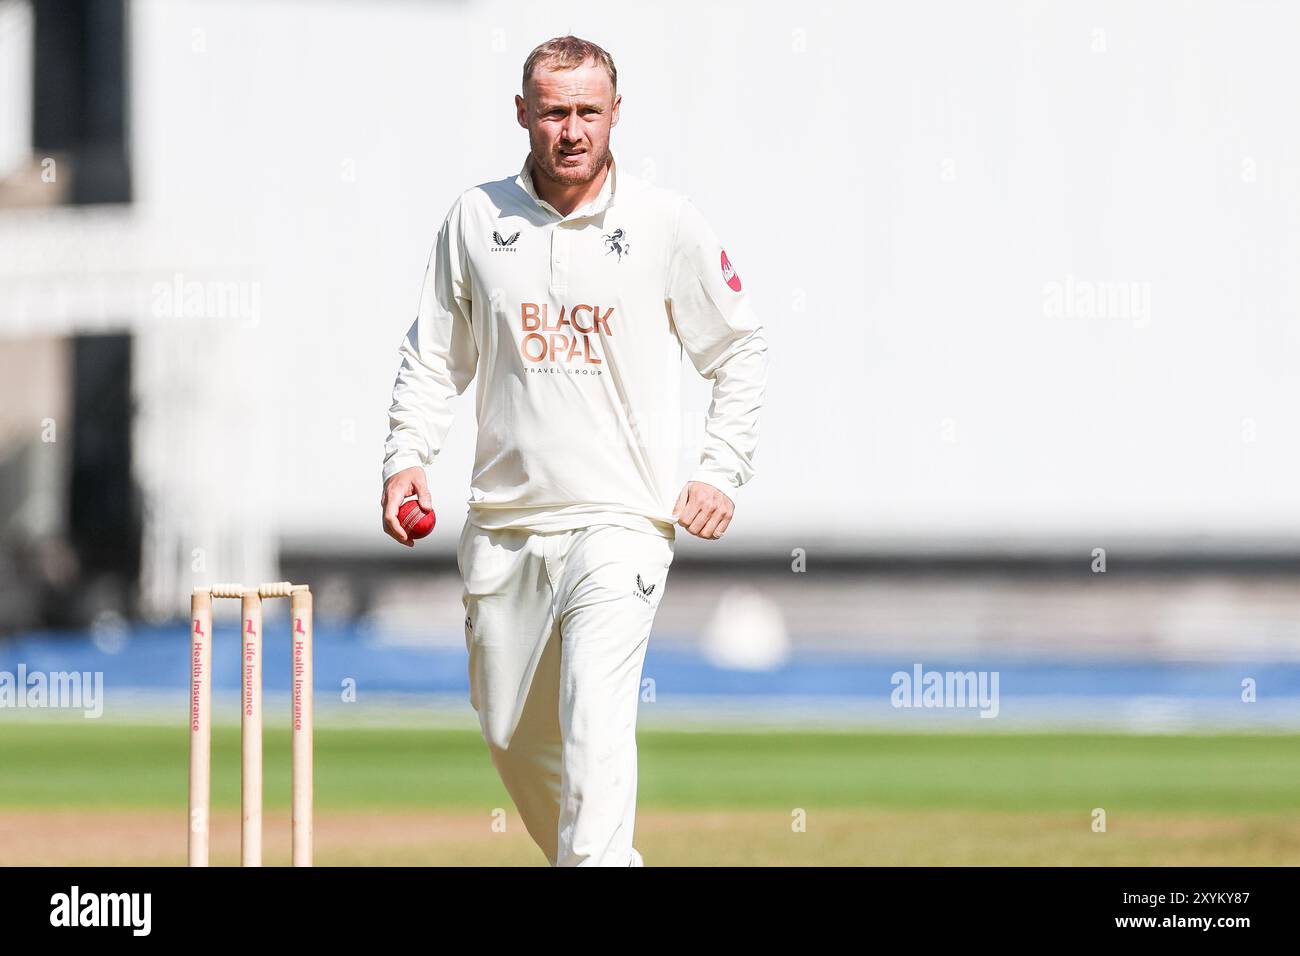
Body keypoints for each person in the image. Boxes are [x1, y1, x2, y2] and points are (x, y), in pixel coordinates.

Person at [380, 35, 768, 866]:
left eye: (588, 112)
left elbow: (738, 350)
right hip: (505, 526)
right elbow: (431, 355)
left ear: (616, 115)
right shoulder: (476, 220)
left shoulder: (665, 224)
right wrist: (406, 457)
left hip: (618, 522)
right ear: (522, 114)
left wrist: (719, 469)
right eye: (554, 111)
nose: (571, 130)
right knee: (513, 738)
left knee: (595, 719)